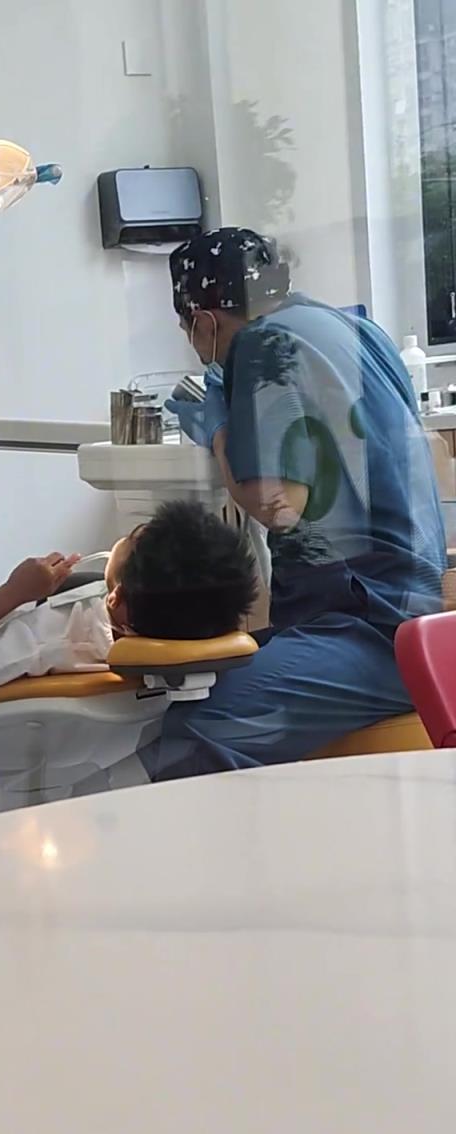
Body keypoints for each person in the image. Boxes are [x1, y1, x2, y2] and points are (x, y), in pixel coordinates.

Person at [147, 226, 447, 779]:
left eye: (189, 330)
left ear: (205, 320)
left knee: (198, 728)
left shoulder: (263, 345)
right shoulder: (355, 327)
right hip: (410, 613)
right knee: (208, 675)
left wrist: (218, 429)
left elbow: (278, 504)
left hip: (369, 629)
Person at [0, 503, 258, 719]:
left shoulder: (53, 638)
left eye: (131, 537)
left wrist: (13, 591)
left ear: (117, 599)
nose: (122, 538)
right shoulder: (172, 644)